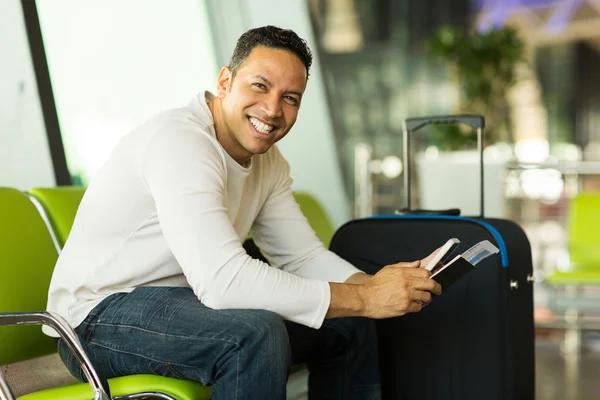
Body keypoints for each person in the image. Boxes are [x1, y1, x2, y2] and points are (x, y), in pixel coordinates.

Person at [45, 25, 442, 399]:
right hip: (97, 320)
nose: (272, 109)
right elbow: (222, 282)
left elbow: (300, 256)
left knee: (348, 321)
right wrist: (366, 297)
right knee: (253, 333)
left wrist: (375, 288)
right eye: (260, 86)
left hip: (188, 305)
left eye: (290, 98)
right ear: (224, 82)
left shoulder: (269, 163)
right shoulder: (180, 143)